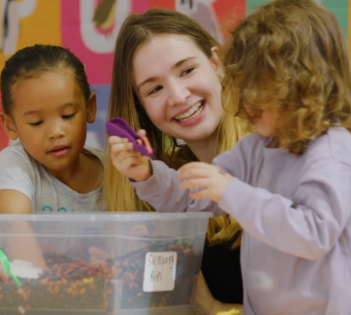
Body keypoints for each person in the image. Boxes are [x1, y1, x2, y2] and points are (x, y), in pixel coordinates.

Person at [110, 0, 351, 314]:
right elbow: (191, 199)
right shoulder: (257, 148)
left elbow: (313, 234)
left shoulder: (335, 152)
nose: (244, 99)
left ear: (303, 86)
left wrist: (229, 190)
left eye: (257, 87)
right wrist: (147, 174)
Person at [103, 8, 246, 314]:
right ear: (141, 109)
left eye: (187, 70)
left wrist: (216, 309)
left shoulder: (274, 157)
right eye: (154, 89)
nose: (179, 96)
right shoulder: (158, 187)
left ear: (217, 64)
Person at [0, 44, 105, 268]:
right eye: (37, 122)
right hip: (38, 293)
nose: (56, 132)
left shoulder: (114, 169)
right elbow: (14, 224)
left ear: (90, 108)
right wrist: (44, 290)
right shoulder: (18, 163)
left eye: (68, 115)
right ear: (10, 125)